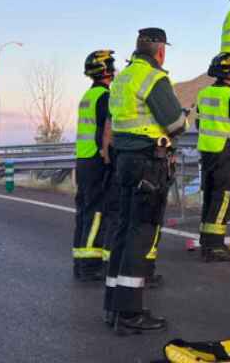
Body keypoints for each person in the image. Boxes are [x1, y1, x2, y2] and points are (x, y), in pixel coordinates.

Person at [104, 28, 187, 334]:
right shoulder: (154, 78)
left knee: (124, 231)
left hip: (124, 162)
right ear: (161, 51)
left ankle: (113, 306)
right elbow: (175, 124)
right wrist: (185, 115)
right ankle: (129, 314)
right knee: (141, 235)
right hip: (148, 164)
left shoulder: (123, 77)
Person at [195, 51, 230, 262]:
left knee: (210, 196)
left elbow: (200, 123)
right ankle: (216, 247)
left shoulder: (203, 93)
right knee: (223, 196)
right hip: (225, 151)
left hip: (207, 151)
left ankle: (206, 242)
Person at [72, 49, 116, 282]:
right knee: (97, 213)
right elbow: (104, 133)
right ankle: (90, 265)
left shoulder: (87, 96)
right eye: (111, 65)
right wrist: (109, 159)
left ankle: (80, 262)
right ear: (105, 70)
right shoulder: (104, 96)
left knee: (84, 212)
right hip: (96, 161)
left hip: (83, 160)